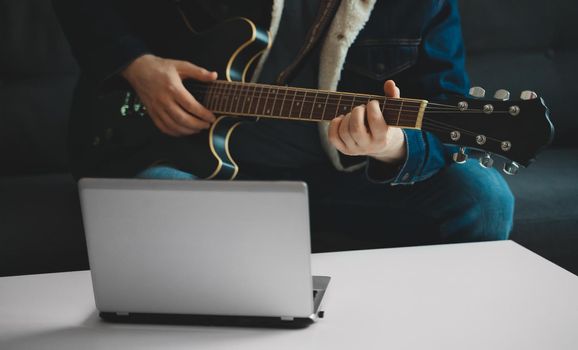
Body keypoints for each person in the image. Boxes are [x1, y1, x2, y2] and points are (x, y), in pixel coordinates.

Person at [53, 0, 514, 248]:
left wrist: (390, 146)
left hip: (344, 179)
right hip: (203, 168)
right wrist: (137, 64)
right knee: (160, 200)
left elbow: (444, 108)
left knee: (483, 195)